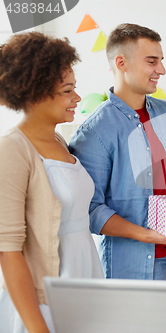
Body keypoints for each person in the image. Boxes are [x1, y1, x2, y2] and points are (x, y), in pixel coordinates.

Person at [69, 23, 166, 287]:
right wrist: (149, 236)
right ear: (121, 63)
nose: (161, 70)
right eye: (152, 61)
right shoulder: (94, 132)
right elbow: (91, 210)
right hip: (139, 264)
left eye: (161, 61)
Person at [0, 32, 103, 333]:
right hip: (44, 298)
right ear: (36, 92)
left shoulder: (59, 141)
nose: (77, 98)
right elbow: (8, 251)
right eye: (68, 90)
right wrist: (38, 329)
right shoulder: (13, 150)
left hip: (85, 279)